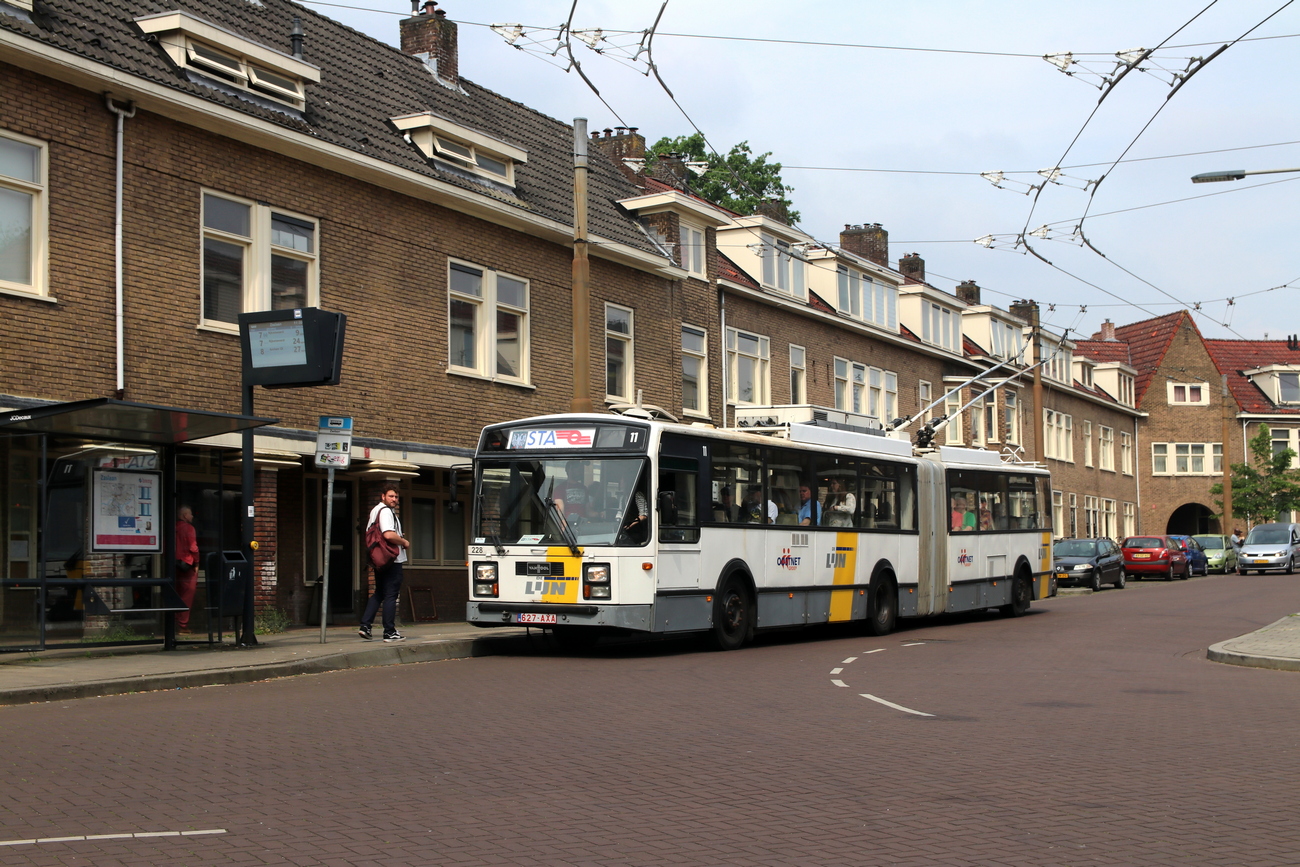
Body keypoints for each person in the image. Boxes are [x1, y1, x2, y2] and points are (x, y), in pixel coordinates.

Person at [360, 484, 410, 642]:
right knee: (391, 595)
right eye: (391, 496)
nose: (394, 499)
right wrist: (403, 541)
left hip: (379, 558)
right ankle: (389, 631)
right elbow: (388, 535)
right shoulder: (386, 512)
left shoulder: (376, 510)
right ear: (383, 496)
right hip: (391, 559)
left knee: (380, 592)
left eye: (396, 497)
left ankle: (365, 626)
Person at [174, 505, 199, 632]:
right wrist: (196, 563)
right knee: (188, 594)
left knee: (177, 593)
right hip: (187, 565)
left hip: (174, 564)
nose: (192, 516)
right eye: (190, 514)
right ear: (184, 516)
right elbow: (193, 547)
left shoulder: (173, 528)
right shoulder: (189, 528)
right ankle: (182, 625)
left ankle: (174, 621)